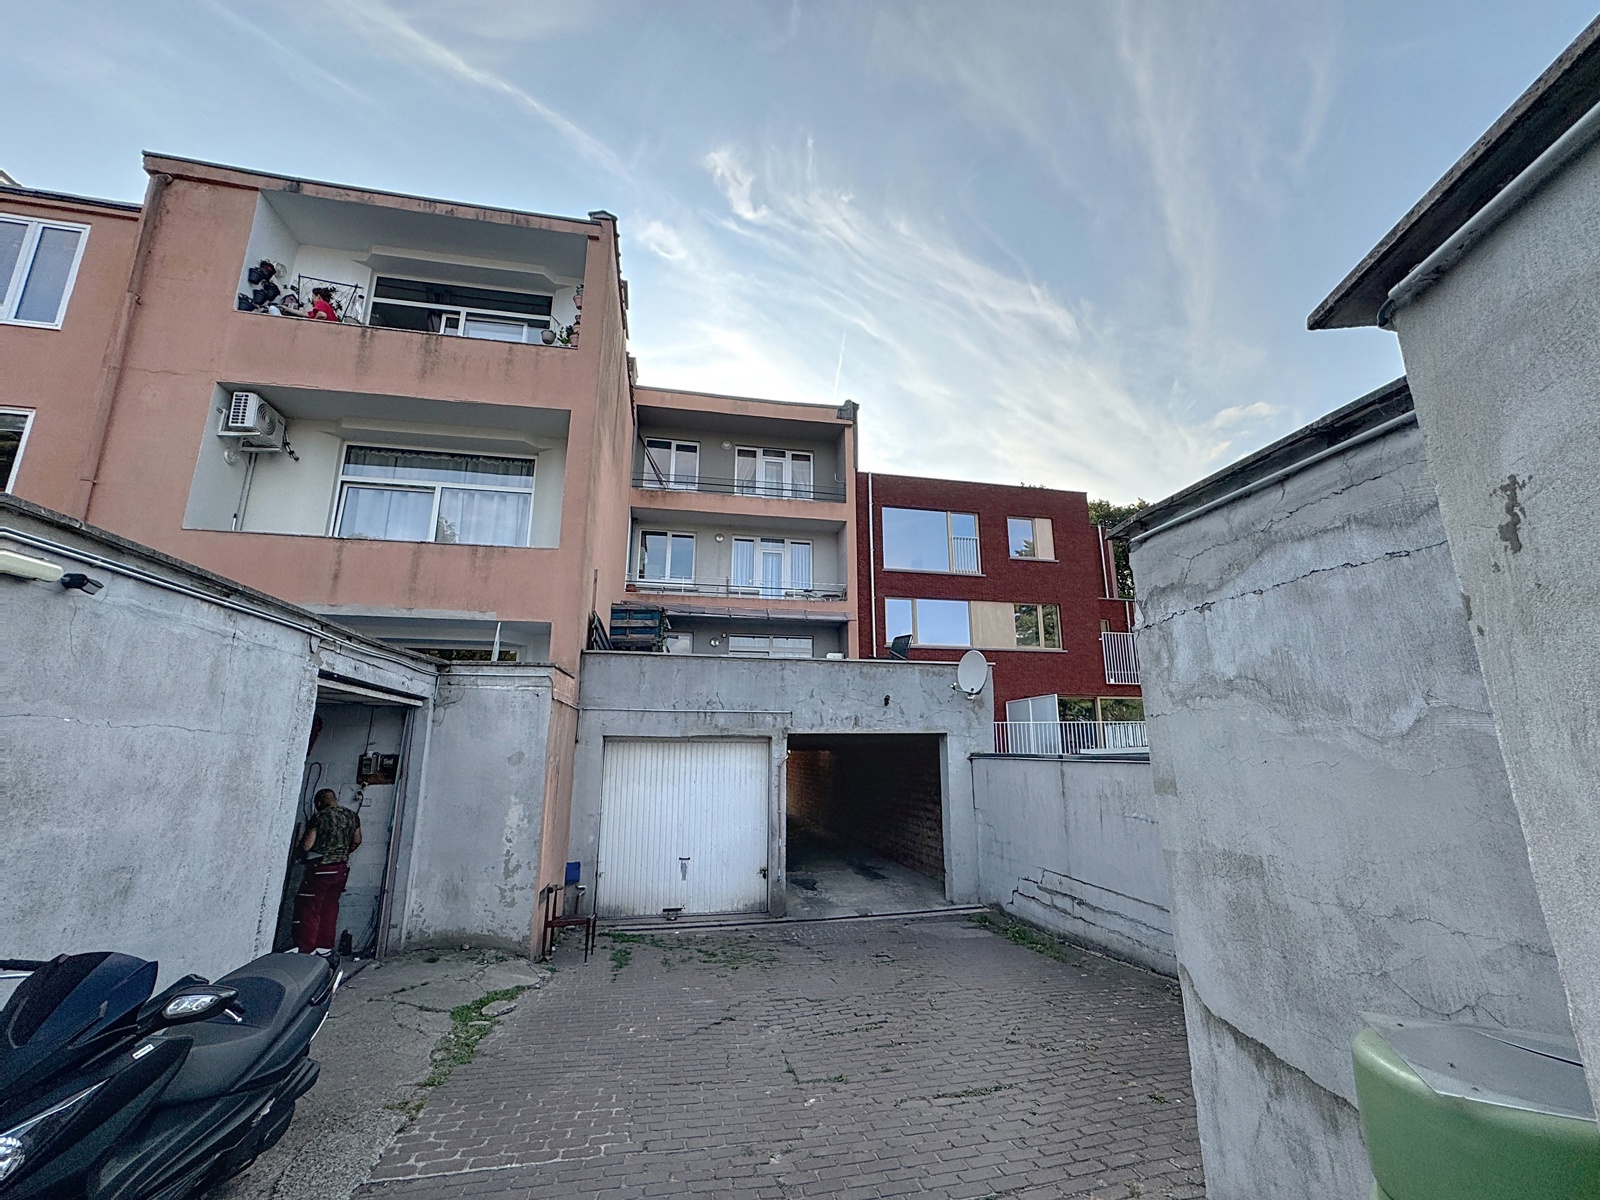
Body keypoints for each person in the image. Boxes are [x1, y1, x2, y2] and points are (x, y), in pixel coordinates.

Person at [294, 789, 362, 956]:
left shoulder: (319, 817)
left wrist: (299, 853)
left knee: (310, 908)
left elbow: (307, 845)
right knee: (331, 907)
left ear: (319, 803)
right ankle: (325, 948)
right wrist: (343, 853)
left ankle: (307, 949)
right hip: (341, 869)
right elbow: (357, 840)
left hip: (320, 868)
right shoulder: (352, 816)